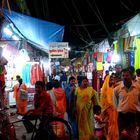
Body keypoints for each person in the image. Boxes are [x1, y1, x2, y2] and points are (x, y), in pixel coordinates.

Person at [113, 68, 140, 139]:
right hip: (122, 117)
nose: (125, 77)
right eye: (123, 75)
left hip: (134, 116)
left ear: (131, 76)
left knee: (134, 136)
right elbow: (115, 103)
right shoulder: (117, 89)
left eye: (127, 75)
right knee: (122, 137)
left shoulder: (137, 88)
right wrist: (122, 108)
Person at [101, 74, 119, 140]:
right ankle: (111, 137)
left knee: (115, 123)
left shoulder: (116, 88)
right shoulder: (106, 90)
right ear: (107, 81)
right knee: (110, 124)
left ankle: (114, 137)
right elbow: (105, 101)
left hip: (116, 110)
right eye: (111, 80)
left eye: (113, 79)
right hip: (109, 110)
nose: (113, 81)